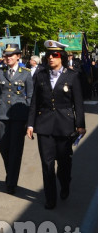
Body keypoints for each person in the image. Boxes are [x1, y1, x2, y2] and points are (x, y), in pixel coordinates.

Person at [27, 40, 86, 210]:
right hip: (44, 124)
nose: (51, 58)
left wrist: (80, 124)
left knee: (64, 163)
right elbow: (34, 102)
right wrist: (30, 124)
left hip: (65, 125)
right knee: (47, 164)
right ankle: (50, 198)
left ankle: (65, 183)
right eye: (49, 55)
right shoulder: (40, 75)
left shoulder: (72, 76)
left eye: (55, 55)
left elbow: (79, 103)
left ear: (62, 57)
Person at [0, 43, 33, 195]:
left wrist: (30, 121)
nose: (7, 58)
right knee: (4, 148)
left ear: (18, 56)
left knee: (15, 150)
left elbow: (30, 97)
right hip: (1, 116)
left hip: (19, 117)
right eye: (6, 55)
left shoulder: (26, 73)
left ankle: (11, 181)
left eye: (11, 55)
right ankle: (10, 173)